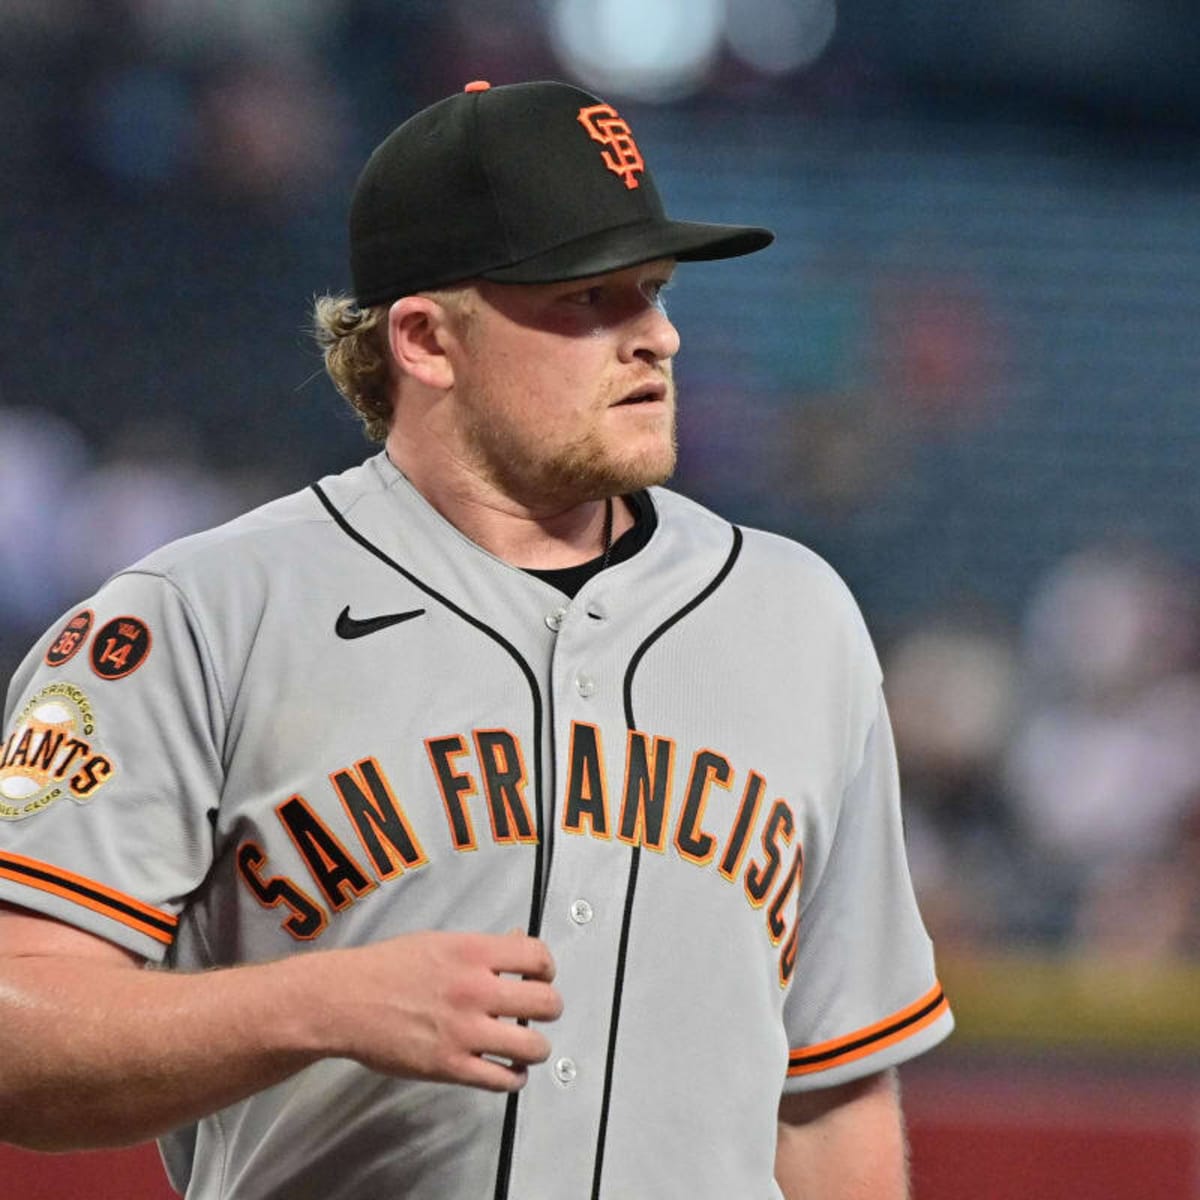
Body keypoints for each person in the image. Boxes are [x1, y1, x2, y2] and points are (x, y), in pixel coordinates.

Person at [0, 80, 952, 1199]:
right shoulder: (196, 618)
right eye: (589, 298)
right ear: (424, 339)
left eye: (652, 289)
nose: (657, 336)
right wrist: (318, 1005)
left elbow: (831, 1088)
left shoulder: (797, 617)